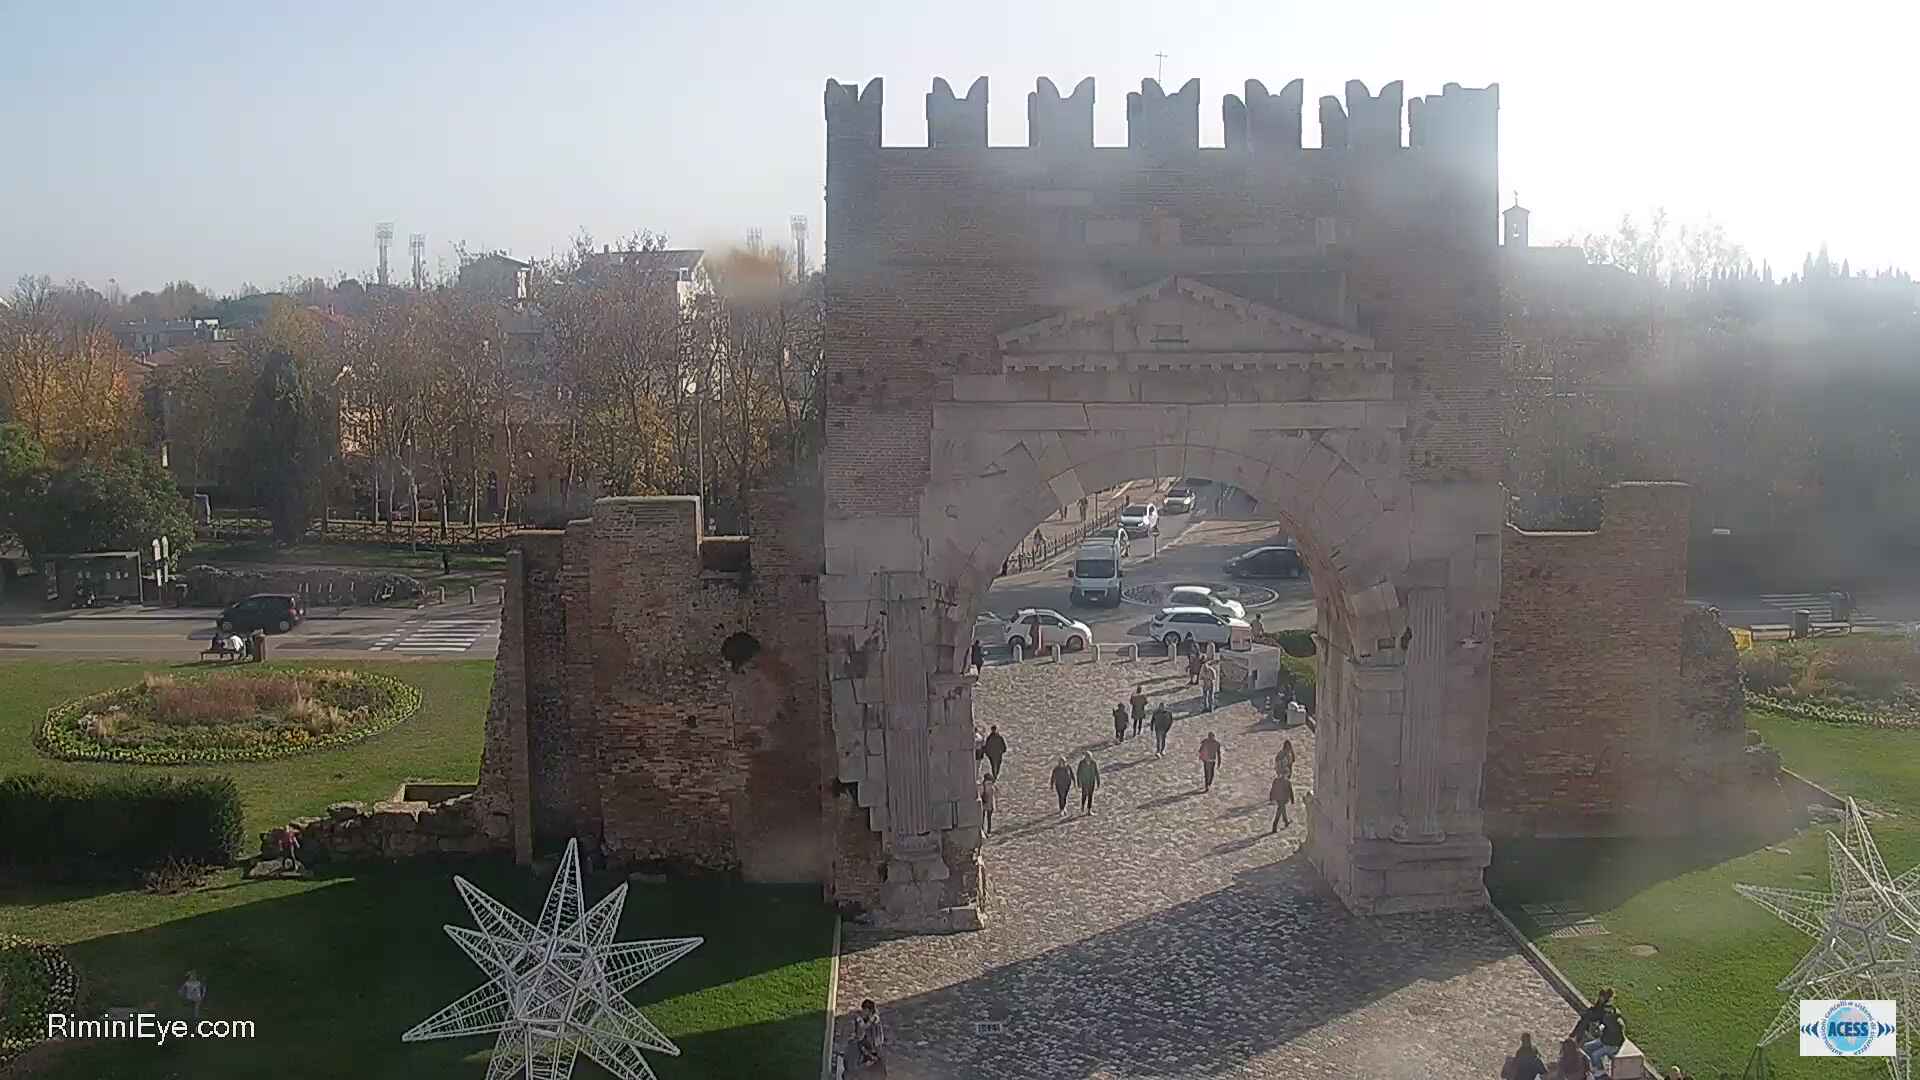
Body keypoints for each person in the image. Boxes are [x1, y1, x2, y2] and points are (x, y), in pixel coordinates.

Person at [1585, 1006, 1627, 1073]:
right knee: (1587, 1046)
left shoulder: (1616, 1023)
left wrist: (1599, 1029)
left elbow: (1603, 1030)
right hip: (1604, 1041)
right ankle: (1590, 1063)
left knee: (1595, 1055)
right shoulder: (1610, 1020)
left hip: (1613, 1045)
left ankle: (1600, 1069)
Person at [851, 999, 885, 1068]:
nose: (862, 1011)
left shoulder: (875, 1017)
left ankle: (873, 1058)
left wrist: (860, 1021)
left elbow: (865, 1026)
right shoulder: (867, 1017)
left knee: (861, 1045)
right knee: (858, 1043)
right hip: (870, 1040)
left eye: (864, 1010)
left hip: (875, 1042)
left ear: (869, 1010)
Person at [979, 773, 997, 837]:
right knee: (988, 818)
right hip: (988, 803)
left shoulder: (983, 785)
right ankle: (987, 830)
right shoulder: (990, 786)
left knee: (984, 817)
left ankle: (984, 829)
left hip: (985, 804)